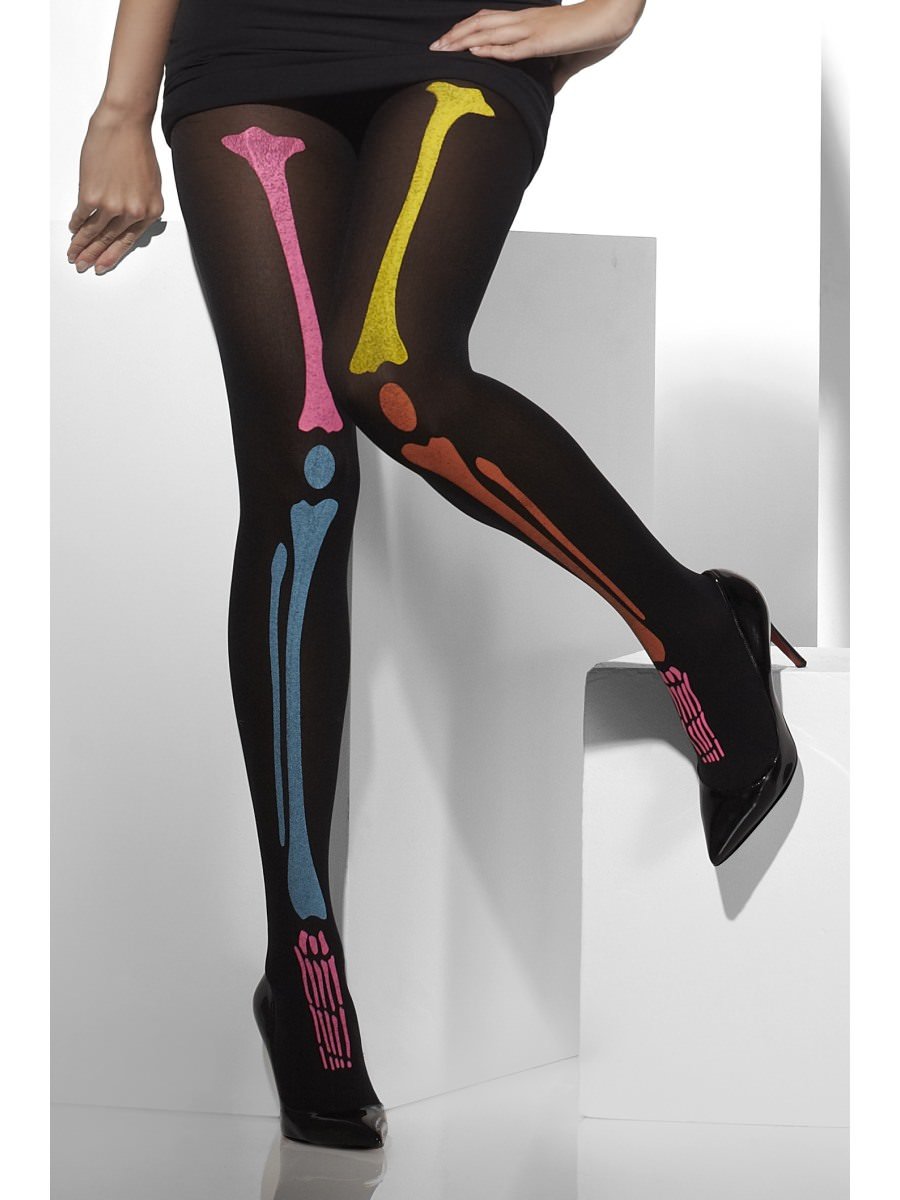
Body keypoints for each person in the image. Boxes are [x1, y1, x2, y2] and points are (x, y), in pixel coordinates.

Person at [66, 0, 807, 1152]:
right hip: (249, 44)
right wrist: (120, 105)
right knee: (303, 473)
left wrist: (615, 12)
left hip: (449, 33)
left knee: (395, 373)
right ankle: (301, 957)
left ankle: (699, 627)